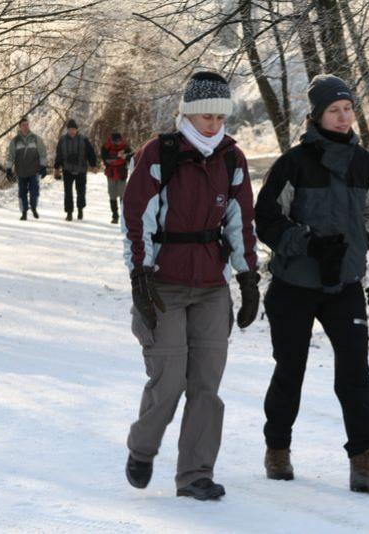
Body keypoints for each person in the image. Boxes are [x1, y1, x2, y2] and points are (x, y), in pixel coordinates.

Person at [122, 71, 260, 501]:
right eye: (205, 116)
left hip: (211, 286)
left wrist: (248, 276)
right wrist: (140, 276)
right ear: (187, 112)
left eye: (220, 116)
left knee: (206, 385)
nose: (213, 124)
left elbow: (240, 221)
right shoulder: (159, 154)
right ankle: (142, 448)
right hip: (163, 284)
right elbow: (136, 217)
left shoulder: (232, 159)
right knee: (169, 382)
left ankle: (196, 473)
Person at [254, 74, 369, 493]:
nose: (342, 116)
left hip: (344, 286)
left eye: (348, 109)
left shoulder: (364, 164)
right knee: (290, 370)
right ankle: (277, 449)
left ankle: (364, 463)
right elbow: (267, 219)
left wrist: (354, 246)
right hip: (293, 285)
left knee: (356, 373)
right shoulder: (293, 164)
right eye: (333, 110)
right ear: (316, 116)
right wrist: (308, 243)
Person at [54, 119, 97, 221]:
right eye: (70, 129)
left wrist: (93, 165)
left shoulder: (84, 139)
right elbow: (59, 155)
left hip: (81, 170)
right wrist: (57, 168)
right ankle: (69, 213)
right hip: (67, 170)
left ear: (77, 130)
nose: (72, 131)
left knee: (81, 192)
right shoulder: (62, 140)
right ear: (67, 130)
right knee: (68, 192)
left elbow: (90, 153)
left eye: (74, 129)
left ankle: (80, 209)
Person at [5, 116, 47, 220]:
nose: (26, 127)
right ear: (19, 127)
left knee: (34, 192)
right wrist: (8, 169)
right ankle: (24, 212)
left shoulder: (36, 139)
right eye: (23, 125)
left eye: (27, 124)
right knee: (22, 193)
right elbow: (10, 156)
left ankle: (33, 207)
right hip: (21, 171)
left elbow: (42, 153)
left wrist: (43, 166)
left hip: (34, 171)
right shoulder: (15, 141)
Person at [101, 132, 133, 224]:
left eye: (119, 141)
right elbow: (105, 159)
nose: (118, 143)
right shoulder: (106, 146)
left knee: (123, 195)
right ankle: (115, 215)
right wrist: (118, 158)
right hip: (111, 174)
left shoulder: (125, 146)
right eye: (116, 141)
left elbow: (131, 157)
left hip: (121, 173)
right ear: (112, 140)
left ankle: (124, 216)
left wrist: (125, 157)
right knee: (112, 195)